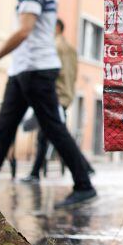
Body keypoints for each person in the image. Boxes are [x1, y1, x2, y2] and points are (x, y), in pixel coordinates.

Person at [0, 0, 97, 208]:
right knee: (3, 130)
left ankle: (84, 184)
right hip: (24, 70)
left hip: (36, 69)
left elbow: (25, 30)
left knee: (52, 127)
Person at [23, 19, 94, 181]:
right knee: (53, 134)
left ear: (56, 27)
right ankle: (85, 167)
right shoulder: (71, 49)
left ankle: (36, 173)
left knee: (53, 136)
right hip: (65, 96)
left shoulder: (54, 46)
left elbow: (51, 73)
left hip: (54, 96)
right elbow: (73, 75)